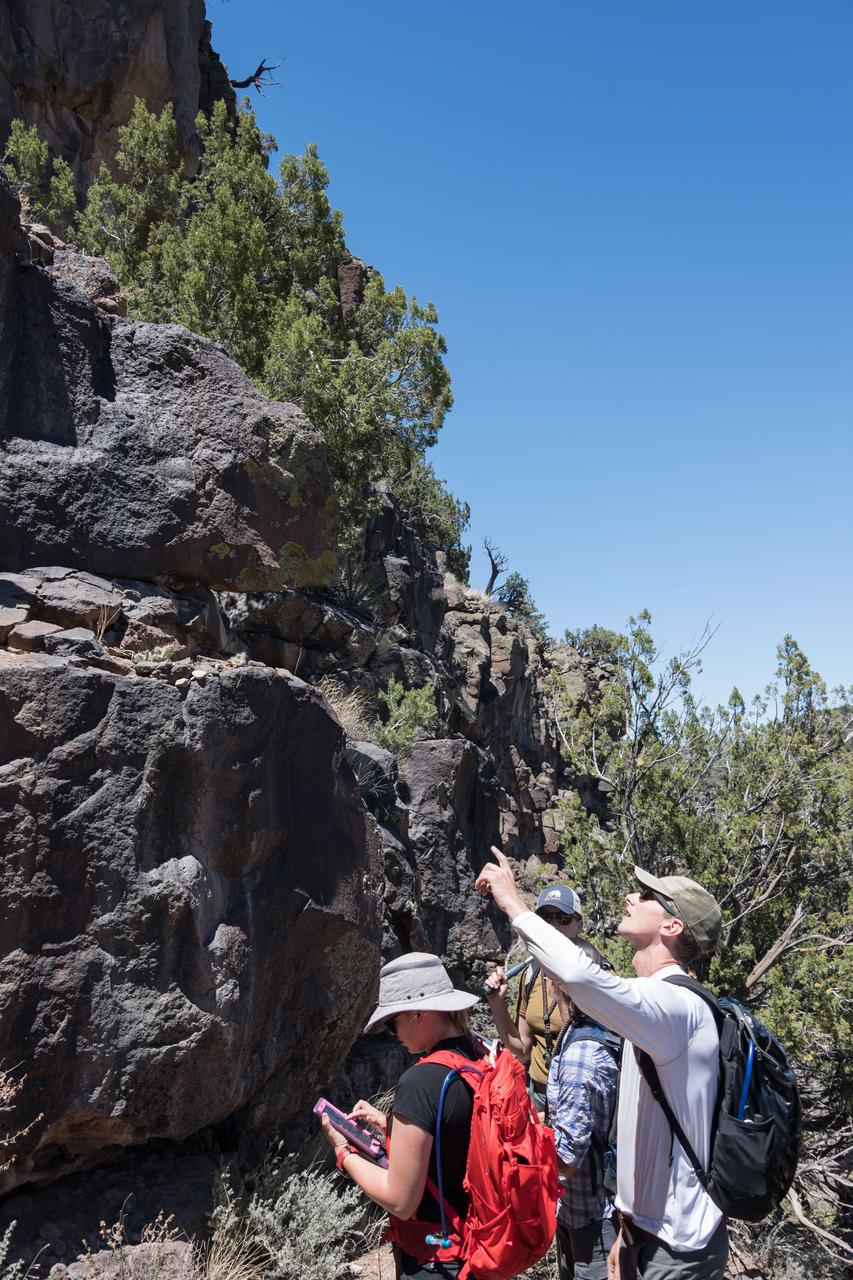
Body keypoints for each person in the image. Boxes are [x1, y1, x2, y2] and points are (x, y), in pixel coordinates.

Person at [475, 848, 728, 1280]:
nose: (630, 897)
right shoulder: (659, 1001)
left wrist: (513, 902)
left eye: (646, 896)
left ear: (672, 926)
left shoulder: (674, 1003)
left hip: (675, 1246)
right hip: (644, 1232)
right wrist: (626, 1229)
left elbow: (578, 978)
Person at [320, 951, 480, 1280]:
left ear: (419, 1013)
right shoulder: (479, 1055)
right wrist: (391, 1125)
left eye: (393, 1023)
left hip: (437, 1260)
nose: (395, 1034)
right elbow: (454, 1136)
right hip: (480, 1246)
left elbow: (401, 1200)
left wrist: (343, 1152)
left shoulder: (420, 1082)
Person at [547, 939, 619, 1280]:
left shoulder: (581, 1053)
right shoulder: (600, 1027)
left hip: (590, 1214)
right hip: (585, 1208)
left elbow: (567, 1156)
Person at [484, 883, 583, 1116]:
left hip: (577, 1097)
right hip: (539, 1096)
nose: (553, 926)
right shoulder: (531, 975)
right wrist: (497, 1004)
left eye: (563, 918)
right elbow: (522, 1049)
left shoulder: (596, 975)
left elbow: (582, 1041)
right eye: (545, 919)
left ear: (579, 924)